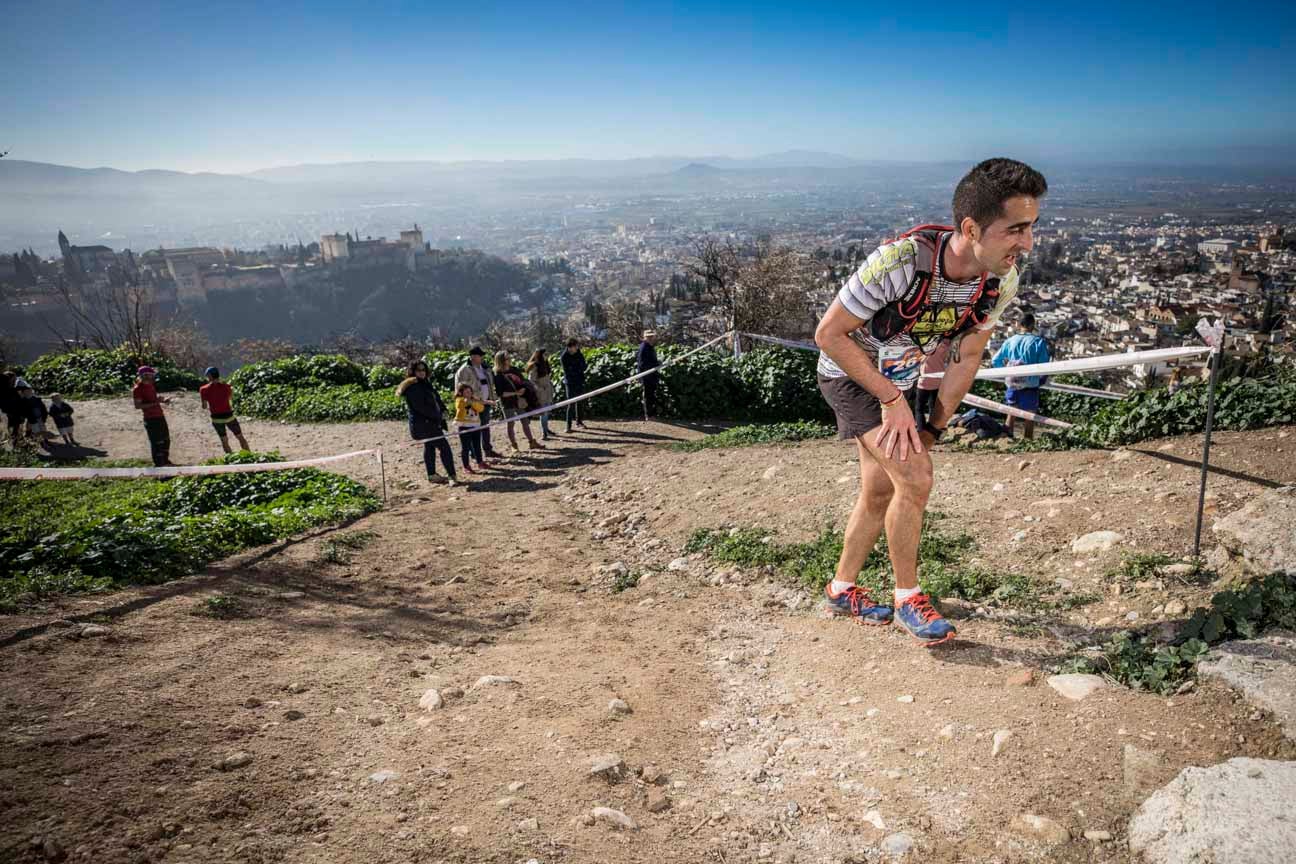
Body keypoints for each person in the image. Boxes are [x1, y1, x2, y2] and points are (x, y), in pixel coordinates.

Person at [814, 157, 1047, 646]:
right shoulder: (899, 263)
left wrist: (934, 426)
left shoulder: (998, 280)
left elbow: (967, 357)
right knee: (916, 478)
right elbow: (829, 335)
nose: (1027, 244)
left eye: (1032, 228)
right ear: (971, 227)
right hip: (853, 375)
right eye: (1016, 230)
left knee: (882, 489)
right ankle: (908, 598)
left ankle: (841, 587)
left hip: (898, 379)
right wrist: (892, 399)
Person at [991, 313, 1051, 440]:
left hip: (1012, 382)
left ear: (1019, 325)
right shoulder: (1038, 342)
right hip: (1031, 383)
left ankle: (1008, 439)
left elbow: (996, 360)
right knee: (1029, 416)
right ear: (1032, 325)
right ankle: (1027, 441)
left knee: (1011, 411)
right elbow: (1045, 364)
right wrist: (1041, 379)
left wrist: (1004, 374)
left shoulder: (1010, 341)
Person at [397, 360, 457, 486]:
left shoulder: (425, 383)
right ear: (413, 371)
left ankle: (432, 475)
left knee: (429, 446)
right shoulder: (412, 387)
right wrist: (438, 416)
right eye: (419, 370)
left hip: (431, 422)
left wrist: (443, 409)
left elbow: (436, 399)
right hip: (424, 424)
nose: (422, 372)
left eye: (424, 369)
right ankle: (452, 475)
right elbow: (420, 407)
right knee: (444, 448)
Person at [455, 346, 504, 459]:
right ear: (473, 356)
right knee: (472, 427)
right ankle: (473, 453)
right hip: (471, 404)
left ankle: (487, 450)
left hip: (485, 402)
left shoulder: (484, 368)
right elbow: (461, 388)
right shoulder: (464, 370)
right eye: (479, 355)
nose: (481, 357)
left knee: (485, 426)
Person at [492, 351, 542, 452]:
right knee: (511, 424)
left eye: (509, 357)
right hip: (507, 403)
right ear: (501, 360)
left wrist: (523, 389)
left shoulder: (514, 370)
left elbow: (523, 381)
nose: (509, 359)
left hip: (519, 401)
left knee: (525, 421)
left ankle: (532, 442)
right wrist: (515, 393)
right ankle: (514, 446)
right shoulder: (498, 376)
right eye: (507, 358)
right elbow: (500, 393)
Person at [199, 367, 250, 454]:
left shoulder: (203, 389)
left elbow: (204, 406)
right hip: (229, 416)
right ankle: (248, 456)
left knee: (224, 440)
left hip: (216, 418)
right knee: (240, 437)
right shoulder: (227, 387)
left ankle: (230, 460)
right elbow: (230, 398)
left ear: (210, 376)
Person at [132, 366, 173, 466]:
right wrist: (156, 402)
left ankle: (165, 461)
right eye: (147, 375)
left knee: (166, 440)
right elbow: (138, 406)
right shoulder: (137, 389)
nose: (149, 377)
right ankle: (159, 465)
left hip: (159, 415)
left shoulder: (151, 386)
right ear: (142, 376)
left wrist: (163, 400)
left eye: (151, 375)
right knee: (157, 443)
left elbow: (153, 399)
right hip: (150, 419)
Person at [453, 382, 493, 474]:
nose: (469, 394)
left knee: (477, 445)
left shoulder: (474, 399)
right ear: (461, 393)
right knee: (465, 447)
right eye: (466, 392)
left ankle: (480, 462)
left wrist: (472, 402)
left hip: (475, 426)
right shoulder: (459, 400)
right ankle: (466, 466)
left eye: (470, 391)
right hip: (464, 427)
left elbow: (481, 408)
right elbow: (459, 408)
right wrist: (466, 403)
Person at [525, 349, 556, 440]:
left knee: (546, 412)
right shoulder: (534, 366)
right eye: (545, 354)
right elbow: (531, 381)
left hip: (548, 392)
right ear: (540, 355)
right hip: (541, 394)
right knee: (544, 413)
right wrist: (540, 389)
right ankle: (544, 433)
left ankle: (546, 429)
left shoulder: (545, 364)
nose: (547, 355)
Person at [561, 338, 589, 431]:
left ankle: (579, 422)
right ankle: (568, 426)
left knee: (580, 402)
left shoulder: (579, 354)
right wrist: (577, 369)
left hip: (579, 381)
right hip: (570, 383)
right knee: (570, 403)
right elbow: (567, 371)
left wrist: (577, 369)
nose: (577, 348)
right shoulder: (564, 357)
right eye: (575, 346)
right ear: (570, 347)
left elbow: (584, 366)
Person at [636, 330, 661, 418]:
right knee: (648, 395)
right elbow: (642, 363)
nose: (650, 338)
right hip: (646, 376)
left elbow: (652, 360)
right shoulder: (644, 347)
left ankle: (652, 414)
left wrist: (657, 364)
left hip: (652, 375)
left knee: (652, 395)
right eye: (648, 337)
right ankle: (649, 415)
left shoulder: (650, 347)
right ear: (645, 337)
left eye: (651, 337)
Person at [1, 371, 23, 449]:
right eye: (13, 379)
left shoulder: (11, 389)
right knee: (13, 428)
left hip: (11, 412)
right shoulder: (9, 390)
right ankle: (13, 445)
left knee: (13, 428)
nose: (14, 381)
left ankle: (13, 444)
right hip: (11, 412)